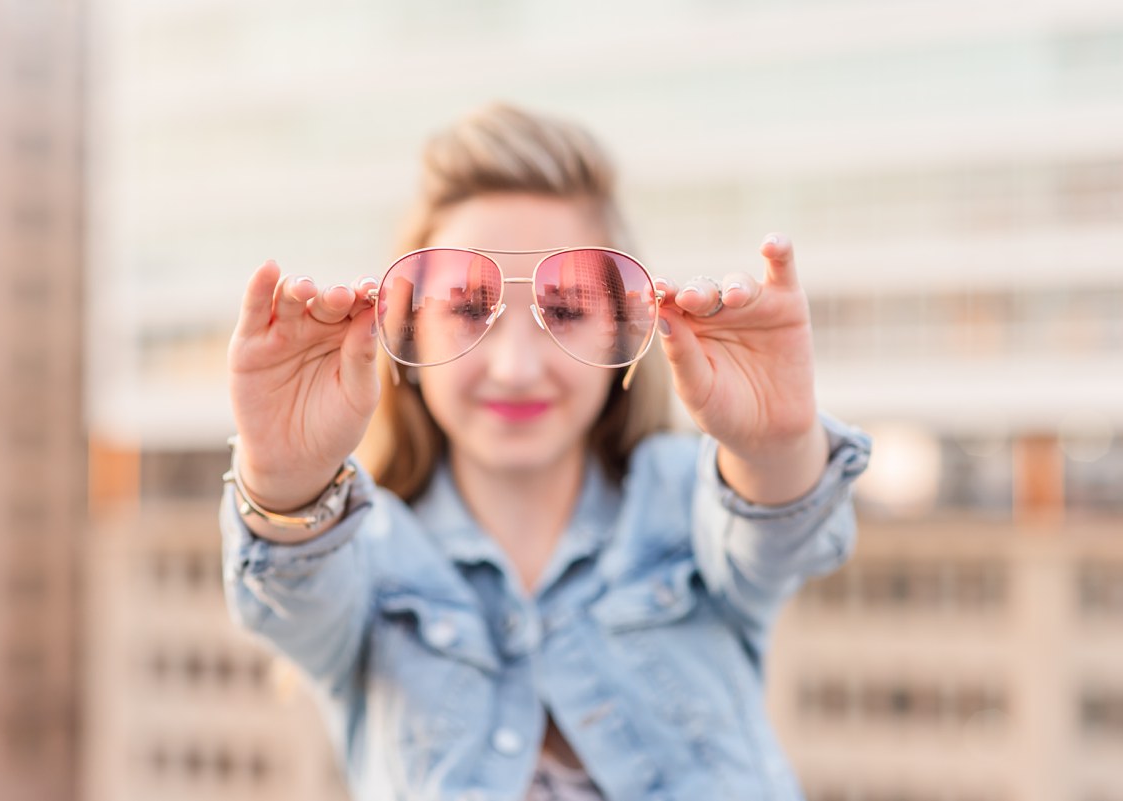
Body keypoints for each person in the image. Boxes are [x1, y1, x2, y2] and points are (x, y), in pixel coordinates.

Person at [220, 103, 871, 801]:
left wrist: (776, 448)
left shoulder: (680, 499)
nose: (517, 367)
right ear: (406, 325)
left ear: (623, 326)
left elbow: (779, 536)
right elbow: (290, 596)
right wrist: (283, 480)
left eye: (566, 310)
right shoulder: (368, 547)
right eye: (469, 308)